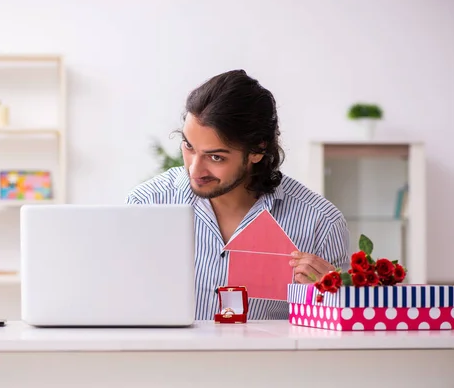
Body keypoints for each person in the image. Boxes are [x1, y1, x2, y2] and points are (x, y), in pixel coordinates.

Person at [125, 70, 350, 320]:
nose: (194, 169)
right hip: (167, 359)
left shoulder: (320, 223)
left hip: (267, 360)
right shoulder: (146, 204)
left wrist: (334, 296)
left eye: (216, 157)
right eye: (189, 146)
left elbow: (342, 332)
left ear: (257, 150)